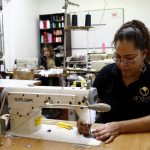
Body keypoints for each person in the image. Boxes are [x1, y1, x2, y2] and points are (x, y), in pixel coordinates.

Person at [77, 20, 150, 143]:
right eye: (118, 57)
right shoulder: (106, 73)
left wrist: (119, 127)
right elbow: (92, 106)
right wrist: (84, 119)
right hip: (103, 139)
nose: (122, 64)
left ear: (144, 53)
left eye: (129, 58)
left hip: (139, 140)